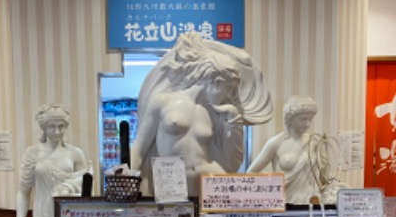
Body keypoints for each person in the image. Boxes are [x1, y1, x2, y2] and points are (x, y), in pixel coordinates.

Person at [131, 31, 273, 196]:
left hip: (210, 178)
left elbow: (233, 158)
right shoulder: (163, 102)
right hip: (172, 182)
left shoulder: (215, 112)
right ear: (215, 81)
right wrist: (130, 180)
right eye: (228, 88)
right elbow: (139, 149)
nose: (228, 95)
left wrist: (233, 120)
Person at [248, 95, 346, 205]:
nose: (307, 123)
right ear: (290, 118)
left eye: (310, 119)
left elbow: (326, 178)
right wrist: (272, 183)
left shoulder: (315, 142)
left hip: (311, 204)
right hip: (285, 204)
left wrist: (337, 189)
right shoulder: (276, 142)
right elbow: (251, 172)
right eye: (303, 119)